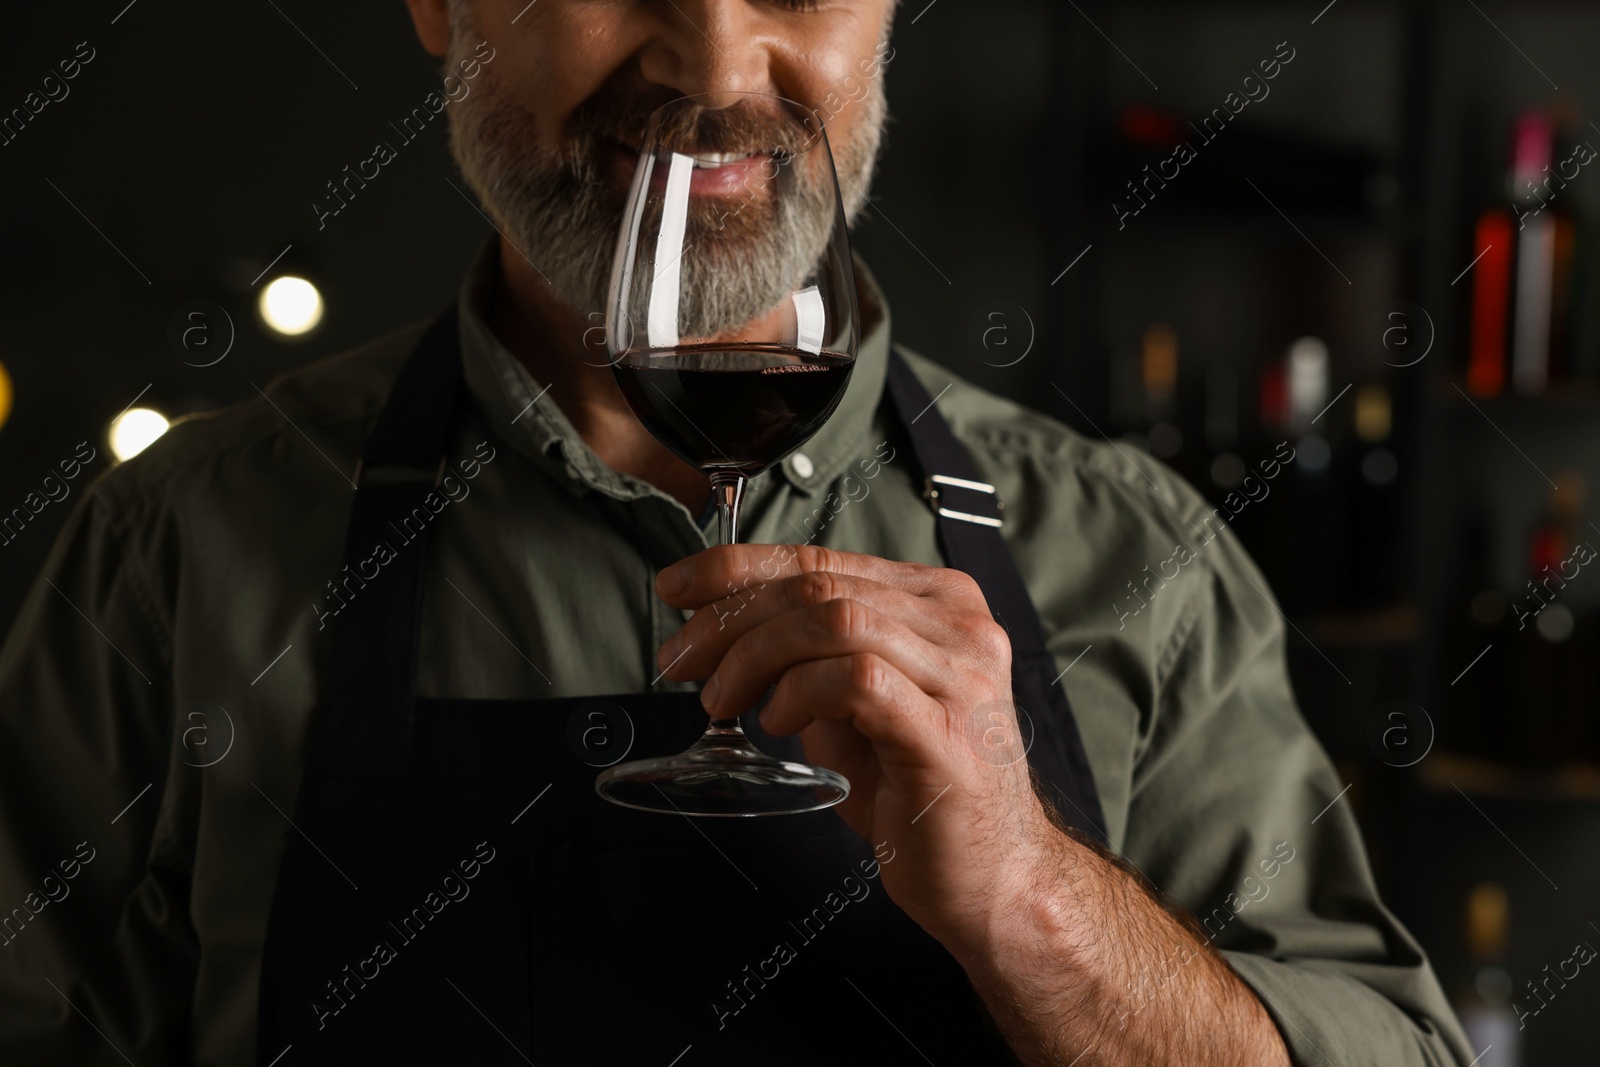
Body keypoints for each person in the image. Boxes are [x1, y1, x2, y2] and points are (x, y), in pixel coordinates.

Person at [0, 1, 1476, 1064]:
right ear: (440, 8)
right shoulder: (170, 553)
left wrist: (1034, 901)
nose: (711, 62)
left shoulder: (1131, 558)